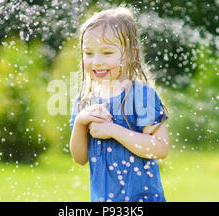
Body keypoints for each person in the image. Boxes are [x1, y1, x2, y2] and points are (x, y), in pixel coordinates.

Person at [69, 7, 170, 202]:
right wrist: (81, 124)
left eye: (107, 52)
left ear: (131, 54)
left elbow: (160, 149)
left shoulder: (141, 95)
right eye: (88, 53)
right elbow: (80, 158)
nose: (97, 61)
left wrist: (113, 130)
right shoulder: (85, 101)